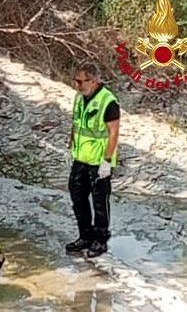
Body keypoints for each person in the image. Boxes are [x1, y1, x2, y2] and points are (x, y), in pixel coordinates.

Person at [66, 62, 120, 258]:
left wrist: (107, 161)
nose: (78, 85)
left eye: (82, 81)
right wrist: (70, 146)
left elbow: (113, 134)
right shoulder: (79, 98)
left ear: (94, 81)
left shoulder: (108, 101)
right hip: (80, 157)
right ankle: (85, 236)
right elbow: (76, 122)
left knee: (99, 202)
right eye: (76, 81)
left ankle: (100, 239)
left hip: (99, 160)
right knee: (77, 197)